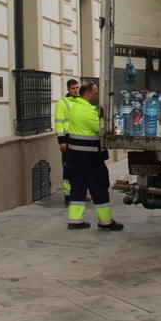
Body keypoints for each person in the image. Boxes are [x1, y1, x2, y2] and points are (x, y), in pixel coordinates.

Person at [65, 82, 123, 231]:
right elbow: (101, 129)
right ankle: (106, 221)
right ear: (88, 94)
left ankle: (75, 221)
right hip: (89, 158)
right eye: (96, 93)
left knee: (77, 187)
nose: (98, 96)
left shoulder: (75, 107)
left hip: (74, 157)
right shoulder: (88, 112)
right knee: (99, 187)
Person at [55, 79, 79, 204]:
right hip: (68, 138)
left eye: (77, 88)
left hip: (79, 137)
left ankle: (78, 191)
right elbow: (59, 123)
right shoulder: (62, 103)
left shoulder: (80, 102)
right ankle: (68, 194)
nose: (76, 90)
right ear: (68, 89)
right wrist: (61, 141)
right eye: (73, 88)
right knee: (68, 166)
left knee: (79, 167)